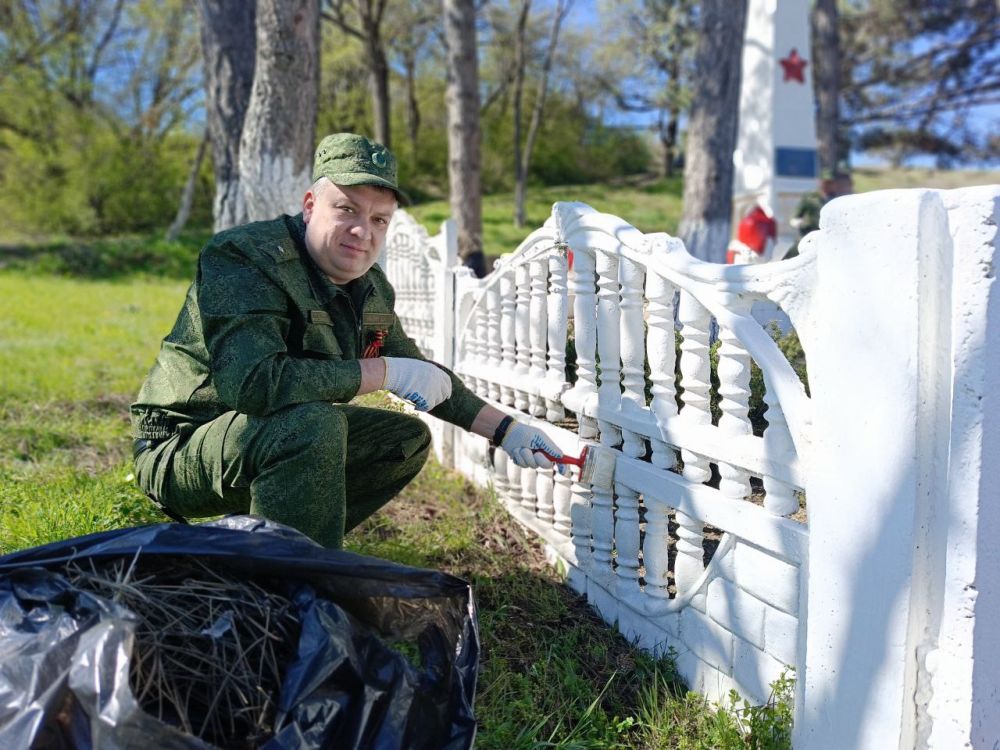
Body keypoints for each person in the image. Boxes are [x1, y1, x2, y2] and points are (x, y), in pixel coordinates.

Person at [131, 132, 563, 549]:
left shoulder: (369, 286)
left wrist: (508, 431)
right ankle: (295, 588)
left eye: (379, 219)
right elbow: (253, 385)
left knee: (402, 440)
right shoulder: (244, 258)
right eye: (346, 210)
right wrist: (380, 372)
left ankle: (286, 545)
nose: (363, 231)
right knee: (312, 424)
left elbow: (423, 375)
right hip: (182, 446)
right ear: (310, 205)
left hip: (268, 439)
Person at [784, 164, 853, 259]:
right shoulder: (810, 197)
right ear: (820, 182)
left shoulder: (838, 199)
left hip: (828, 235)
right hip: (808, 233)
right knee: (794, 253)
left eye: (830, 183)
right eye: (825, 182)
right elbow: (796, 216)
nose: (827, 185)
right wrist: (797, 222)